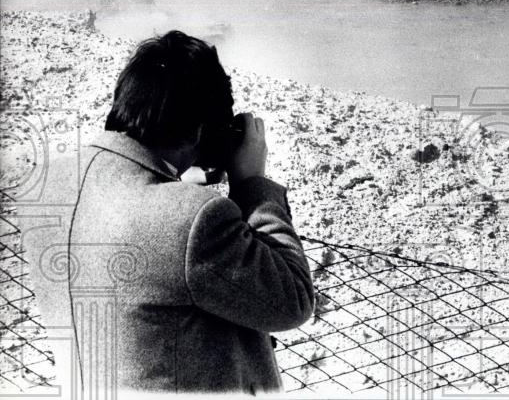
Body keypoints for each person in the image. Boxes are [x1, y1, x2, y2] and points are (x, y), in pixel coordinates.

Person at [20, 31, 315, 395]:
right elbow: (292, 301)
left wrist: (174, 178)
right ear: (199, 132)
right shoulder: (195, 217)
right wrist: (252, 183)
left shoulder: (49, 185)